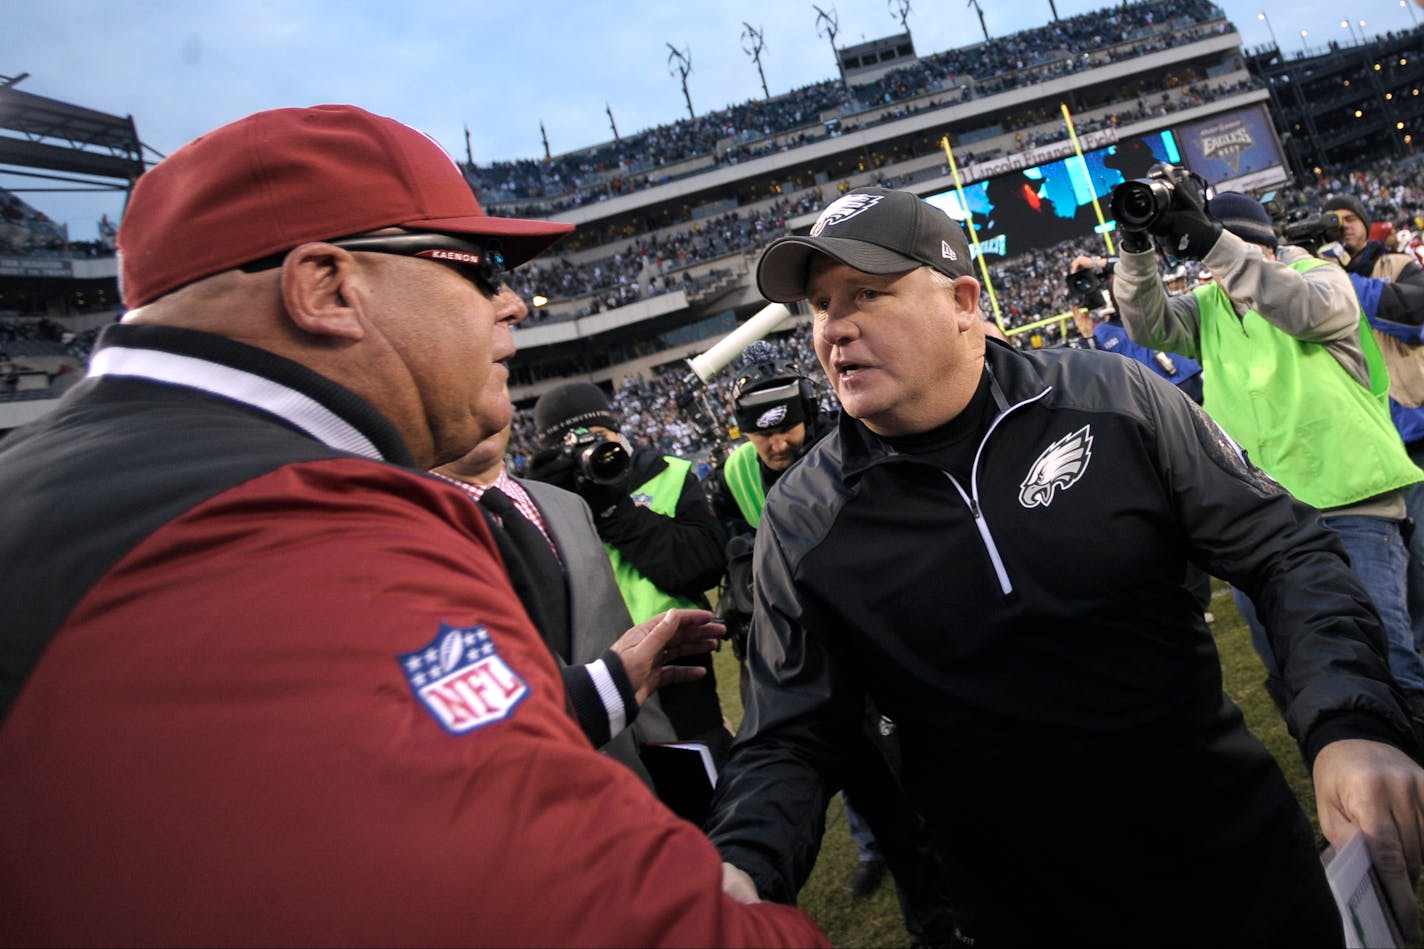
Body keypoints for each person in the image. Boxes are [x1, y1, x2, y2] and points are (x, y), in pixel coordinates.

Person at [0, 104, 826, 947]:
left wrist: (603, 680)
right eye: (477, 266)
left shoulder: (82, 481)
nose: (509, 301)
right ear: (325, 288)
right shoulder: (290, 519)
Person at [704, 185, 1424, 946]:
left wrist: (1349, 721)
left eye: (867, 294)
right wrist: (744, 863)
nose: (834, 328)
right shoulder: (805, 517)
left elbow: (1284, 548)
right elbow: (788, 730)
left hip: (1239, 871)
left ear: (961, 300)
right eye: (819, 305)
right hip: (1017, 919)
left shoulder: (1110, 398)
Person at [1111, 181, 1424, 725]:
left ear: (1261, 245)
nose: (1217, 262)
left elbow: (1304, 309)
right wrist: (1136, 249)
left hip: (1351, 502)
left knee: (1385, 661)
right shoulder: (1209, 306)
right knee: (1293, 671)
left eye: (1227, 244)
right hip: (1262, 523)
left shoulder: (1317, 277)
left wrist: (1213, 242)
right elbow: (1146, 322)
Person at [705, 346, 962, 941]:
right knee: (889, 816)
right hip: (813, 660)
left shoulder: (850, 447)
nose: (775, 446)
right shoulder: (739, 473)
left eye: (786, 428)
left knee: (937, 805)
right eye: (758, 436)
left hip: (887, 656)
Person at [431, 417, 695, 788]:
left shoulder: (568, 505)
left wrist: (668, 761)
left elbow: (617, 641)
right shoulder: (408, 532)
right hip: (528, 795)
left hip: (630, 782)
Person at [528, 381, 733, 764]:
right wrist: (544, 505)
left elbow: (702, 564)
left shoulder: (667, 474)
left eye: (599, 438)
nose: (590, 453)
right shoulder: (540, 504)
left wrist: (615, 510)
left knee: (698, 769)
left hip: (674, 655)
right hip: (588, 671)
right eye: (570, 447)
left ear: (618, 431)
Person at [1323, 193, 1424, 654]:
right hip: (1367, 438)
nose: (1344, 226)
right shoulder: (1316, 282)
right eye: (1335, 221)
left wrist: (1338, 284)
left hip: (1413, 423)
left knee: (1419, 546)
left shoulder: (1398, 264)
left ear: (1365, 223)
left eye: (1350, 218)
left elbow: (1414, 316)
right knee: (1399, 563)